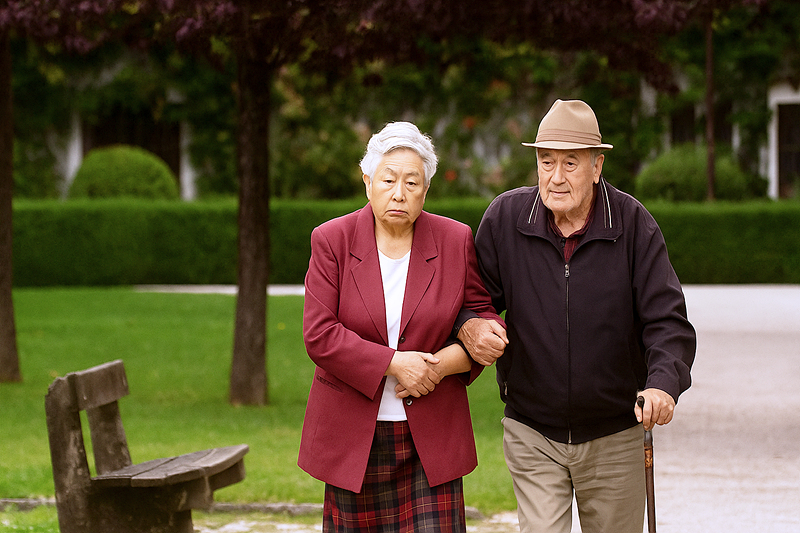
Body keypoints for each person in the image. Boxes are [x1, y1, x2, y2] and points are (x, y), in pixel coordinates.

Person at [455, 99, 697, 533]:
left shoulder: (633, 225)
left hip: (616, 433)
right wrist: (470, 325)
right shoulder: (505, 219)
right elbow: (472, 297)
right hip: (532, 427)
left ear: (597, 166)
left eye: (571, 163)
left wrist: (663, 384)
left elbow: (667, 321)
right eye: (546, 161)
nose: (556, 176)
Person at [299, 121, 507, 532]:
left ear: (426, 190)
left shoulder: (454, 239)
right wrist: (395, 364)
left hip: (431, 438)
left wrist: (441, 366)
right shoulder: (331, 240)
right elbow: (319, 334)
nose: (399, 193)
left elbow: (479, 315)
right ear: (367, 182)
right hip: (354, 439)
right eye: (388, 179)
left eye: (412, 183)